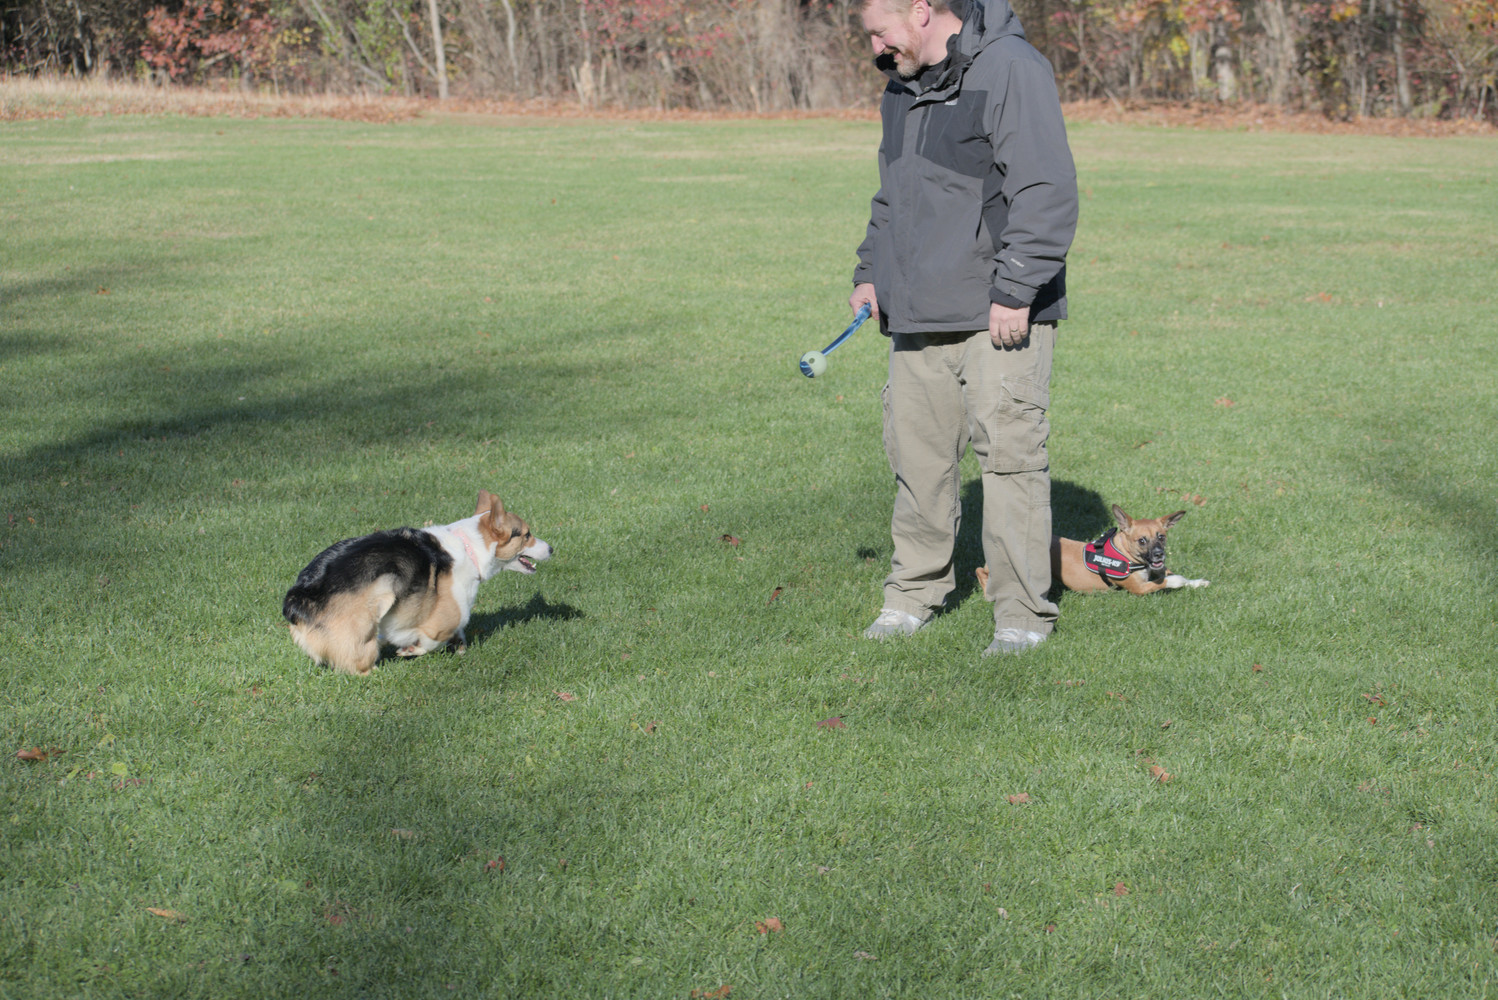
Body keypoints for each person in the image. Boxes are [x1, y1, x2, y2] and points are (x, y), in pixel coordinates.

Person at [852, 0, 1078, 655]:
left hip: (997, 313)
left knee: (1010, 465)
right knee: (917, 464)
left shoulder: (1009, 68)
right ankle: (911, 596)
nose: (875, 47)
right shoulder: (901, 86)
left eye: (880, 31)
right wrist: (870, 272)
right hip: (917, 313)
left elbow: (1045, 187)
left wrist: (1016, 289)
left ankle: (1021, 617)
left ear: (921, 11)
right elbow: (892, 195)